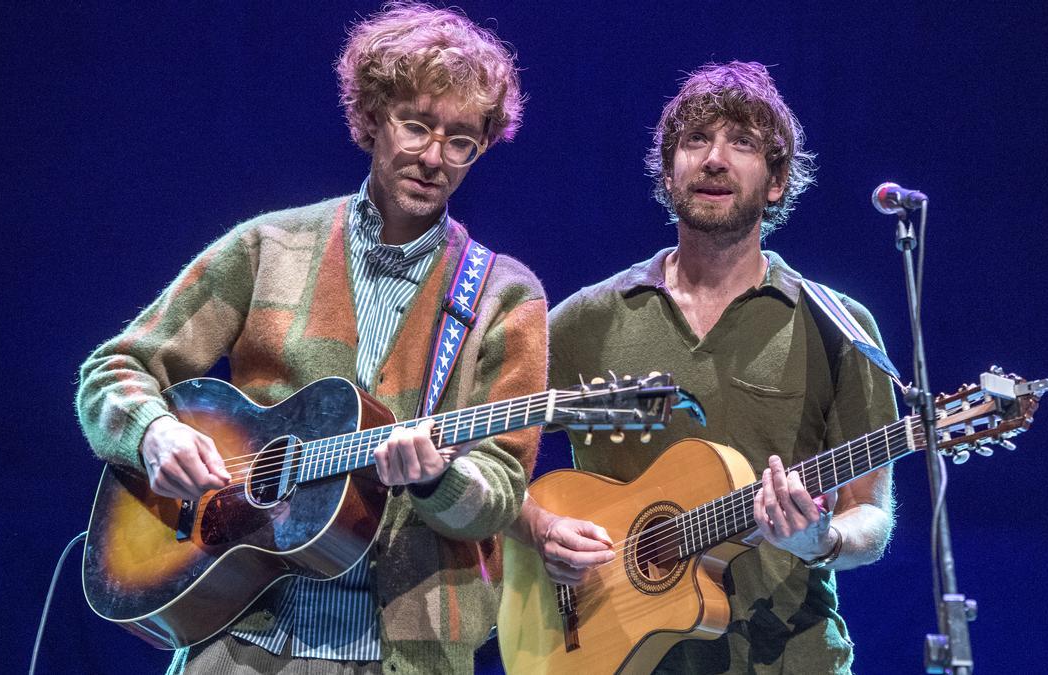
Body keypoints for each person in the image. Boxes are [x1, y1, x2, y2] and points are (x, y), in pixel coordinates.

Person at [76, 3, 546, 673]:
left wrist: (439, 477)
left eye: (462, 140)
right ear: (374, 117)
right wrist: (154, 432)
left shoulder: (505, 296)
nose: (435, 157)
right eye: (416, 125)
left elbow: (499, 490)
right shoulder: (269, 245)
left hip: (400, 654)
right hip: (234, 638)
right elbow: (113, 368)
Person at [509, 61, 897, 673]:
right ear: (669, 172)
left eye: (742, 144)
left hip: (788, 657)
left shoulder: (838, 326)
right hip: (609, 650)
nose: (715, 160)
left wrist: (821, 540)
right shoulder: (588, 319)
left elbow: (870, 514)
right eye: (696, 141)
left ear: (776, 181)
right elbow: (485, 457)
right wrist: (537, 527)